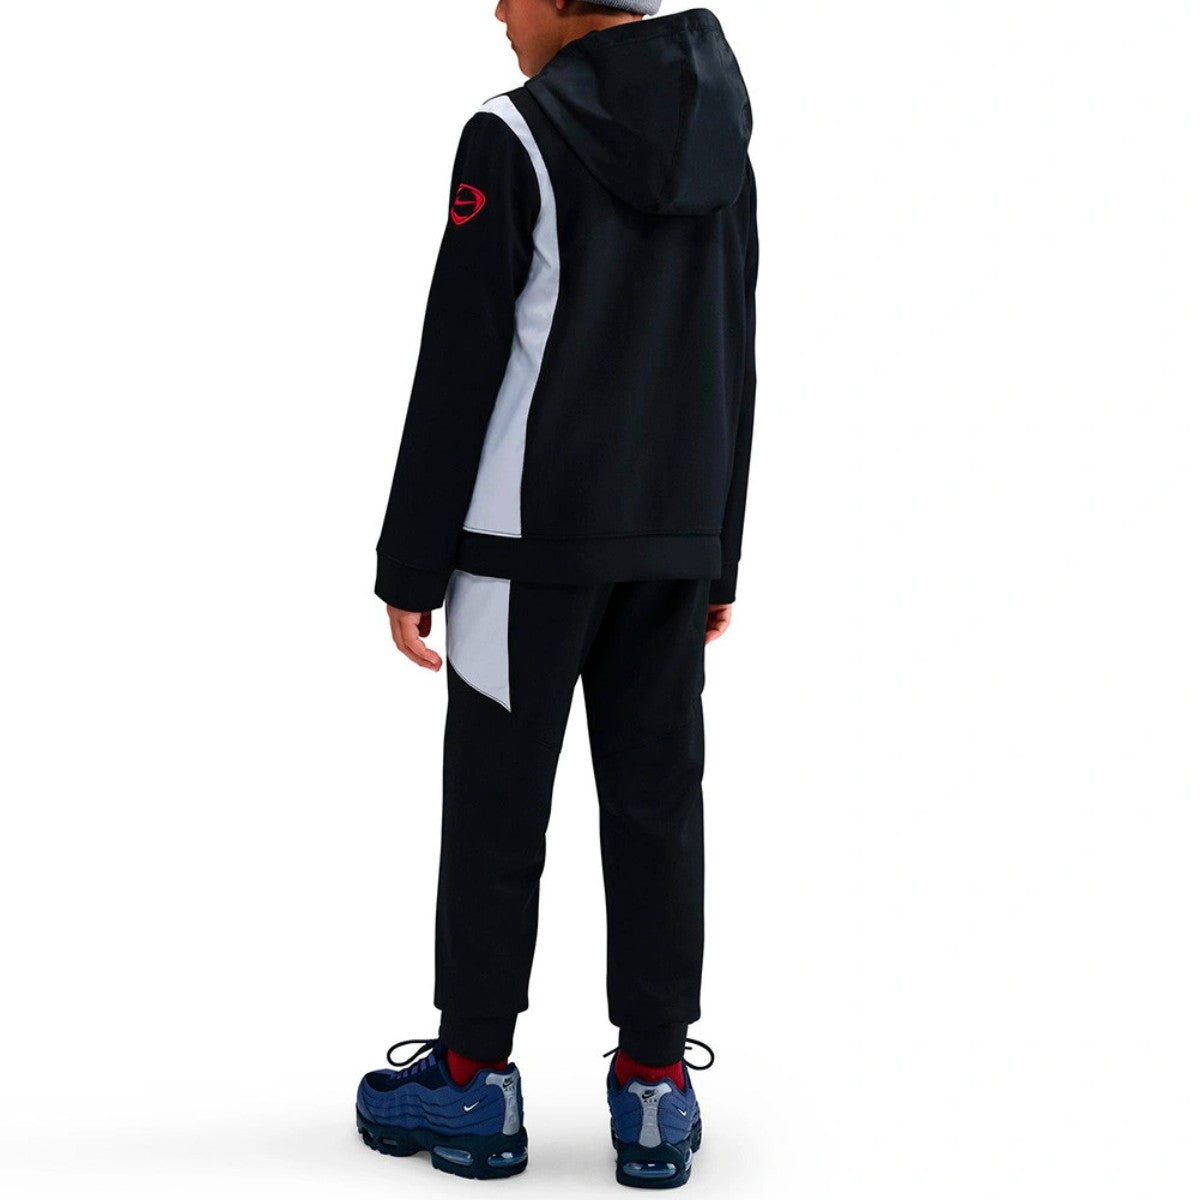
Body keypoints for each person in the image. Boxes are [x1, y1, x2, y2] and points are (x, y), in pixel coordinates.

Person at [355, 1, 757, 1187]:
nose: (496, 10)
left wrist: (408, 564)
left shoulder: (511, 134)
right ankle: (655, 1088)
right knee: (657, 809)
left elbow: (461, 356)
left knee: (495, 810)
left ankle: (474, 1081)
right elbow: (734, 346)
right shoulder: (724, 139)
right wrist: (716, 550)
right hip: (670, 538)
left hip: (522, 547)